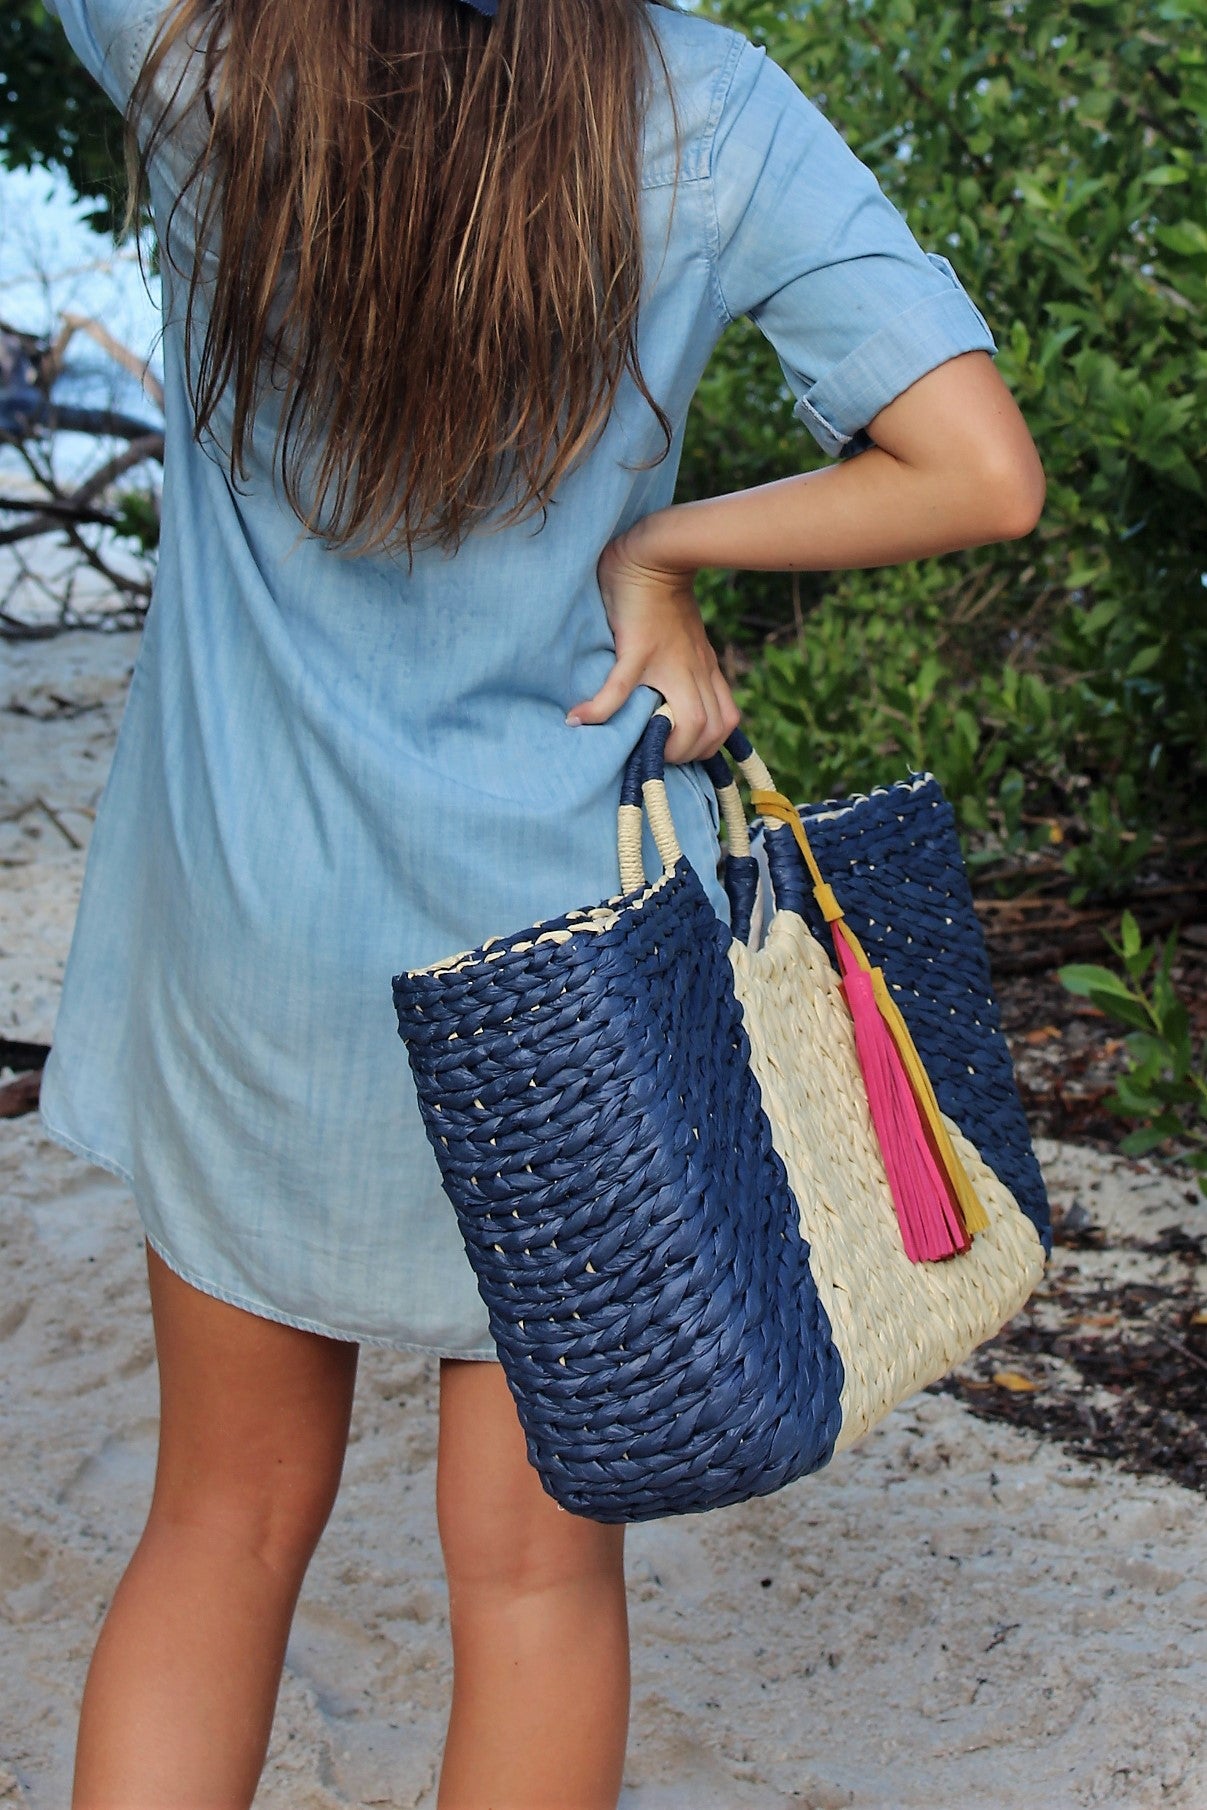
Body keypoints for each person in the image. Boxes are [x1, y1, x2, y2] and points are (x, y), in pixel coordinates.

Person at [36, 0, 1045, 1804]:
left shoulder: (200, 54)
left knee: (219, 1525)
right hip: (566, 999)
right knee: (531, 1576)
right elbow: (981, 468)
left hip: (255, 952)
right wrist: (657, 547)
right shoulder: (711, 108)